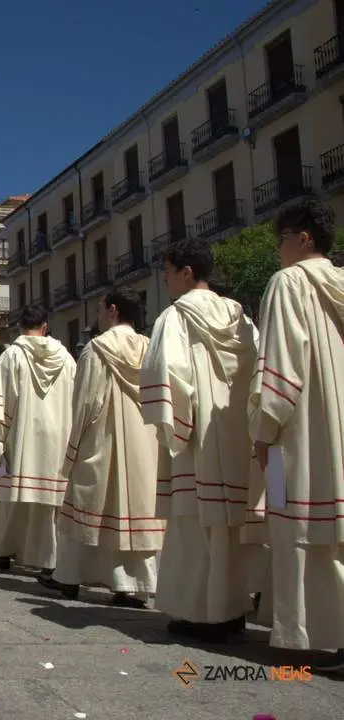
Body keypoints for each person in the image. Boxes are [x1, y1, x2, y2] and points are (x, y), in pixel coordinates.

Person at [141, 239, 258, 642]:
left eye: (169, 271)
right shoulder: (240, 316)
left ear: (187, 272)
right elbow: (258, 365)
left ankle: (204, 613)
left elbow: (167, 371)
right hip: (236, 431)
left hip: (197, 436)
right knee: (230, 526)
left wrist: (176, 428)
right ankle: (234, 607)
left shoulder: (176, 316)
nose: (166, 279)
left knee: (195, 528)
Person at [250, 200, 344, 671]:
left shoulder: (289, 283)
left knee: (297, 531)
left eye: (281, 239)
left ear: (303, 238)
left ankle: (311, 636)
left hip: (300, 433)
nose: (278, 250)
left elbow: (282, 367)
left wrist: (264, 432)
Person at [41, 288, 165, 608]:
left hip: (104, 437)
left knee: (86, 506)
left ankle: (67, 577)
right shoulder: (151, 348)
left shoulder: (96, 349)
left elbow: (85, 403)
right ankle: (133, 585)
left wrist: (74, 447)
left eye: (98, 309)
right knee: (135, 513)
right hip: (144, 443)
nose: (95, 316)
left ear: (112, 310)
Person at [0, 303, 76, 575]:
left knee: (14, 498)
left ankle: (3, 552)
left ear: (20, 326)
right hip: (59, 434)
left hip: (23, 432)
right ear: (45, 326)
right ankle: (51, 559)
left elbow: (2, 406)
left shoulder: (11, 356)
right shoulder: (67, 358)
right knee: (50, 503)